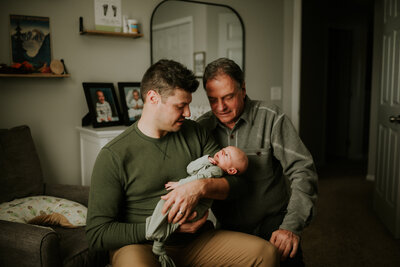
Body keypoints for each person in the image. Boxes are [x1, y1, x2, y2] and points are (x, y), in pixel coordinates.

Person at [86, 59, 278, 267]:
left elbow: (239, 185)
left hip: (197, 242)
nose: (188, 113)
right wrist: (162, 227)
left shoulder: (195, 133)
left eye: (188, 105)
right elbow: (97, 234)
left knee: (265, 253)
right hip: (142, 245)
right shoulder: (113, 155)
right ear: (153, 98)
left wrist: (200, 187)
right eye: (181, 106)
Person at [161, 58, 318, 267]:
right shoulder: (203, 128)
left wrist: (291, 227)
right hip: (227, 227)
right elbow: (187, 177)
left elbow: (303, 171)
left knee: (288, 260)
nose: (220, 107)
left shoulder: (271, 118)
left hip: (273, 221)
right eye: (213, 100)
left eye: (228, 97)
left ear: (243, 89)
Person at [146, 146, 248, 267]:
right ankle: (158, 244)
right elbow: (190, 169)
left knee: (165, 206)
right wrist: (206, 159)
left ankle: (155, 238)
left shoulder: (217, 171)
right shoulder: (211, 166)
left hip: (196, 207)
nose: (222, 152)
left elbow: (198, 179)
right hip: (190, 203)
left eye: (226, 155)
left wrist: (180, 184)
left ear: (231, 171)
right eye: (223, 149)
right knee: (168, 214)